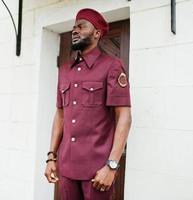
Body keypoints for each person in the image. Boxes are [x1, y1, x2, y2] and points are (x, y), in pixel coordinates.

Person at [44, 8, 132, 200]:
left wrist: (112, 166)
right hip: (66, 168)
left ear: (97, 33)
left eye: (81, 26)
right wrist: (51, 156)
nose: (75, 30)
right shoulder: (65, 70)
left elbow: (124, 116)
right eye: (74, 27)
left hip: (97, 171)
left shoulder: (112, 66)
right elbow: (60, 115)